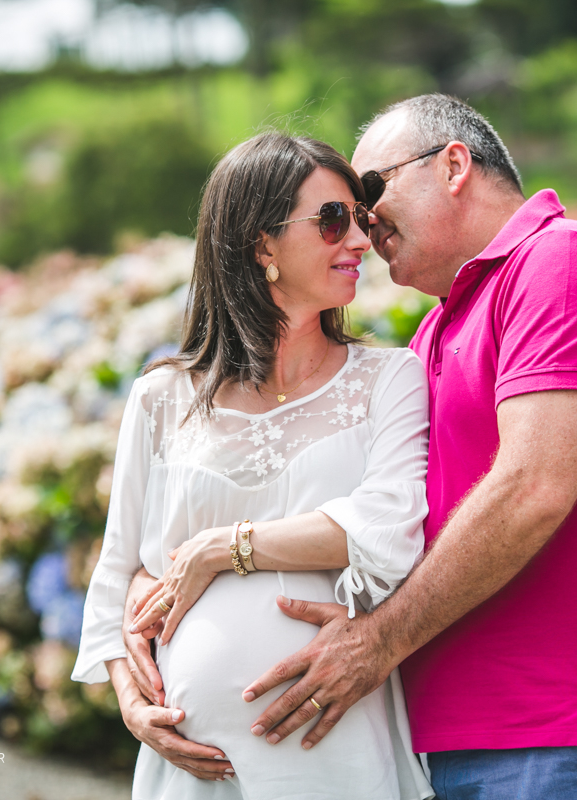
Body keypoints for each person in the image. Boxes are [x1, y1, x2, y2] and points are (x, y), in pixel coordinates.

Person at [134, 95, 577, 799]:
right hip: (464, 738)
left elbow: (531, 489)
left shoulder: (560, 263)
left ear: (455, 165)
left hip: (566, 728)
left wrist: (375, 642)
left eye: (369, 192)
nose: (363, 227)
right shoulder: (437, 333)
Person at [71, 131, 435, 800]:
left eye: (361, 217)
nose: (359, 240)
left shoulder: (391, 378)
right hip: (191, 771)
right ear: (260, 243)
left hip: (337, 752)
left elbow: (389, 530)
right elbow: (119, 572)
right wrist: (133, 704)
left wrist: (222, 548)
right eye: (332, 220)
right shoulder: (161, 396)